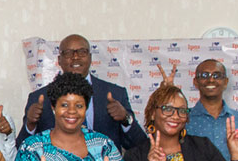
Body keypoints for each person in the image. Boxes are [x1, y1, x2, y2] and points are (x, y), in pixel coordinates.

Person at [17, 34, 147, 151]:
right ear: (59, 60)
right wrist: (30, 124)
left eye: (82, 52)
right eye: (68, 53)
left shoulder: (115, 94)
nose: (75, 57)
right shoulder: (39, 98)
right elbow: (21, 150)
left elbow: (140, 147)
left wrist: (125, 119)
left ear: (90, 58)